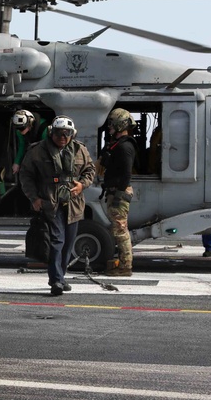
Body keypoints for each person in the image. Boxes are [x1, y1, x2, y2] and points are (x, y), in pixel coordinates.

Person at [18, 115, 96, 296]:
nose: (63, 136)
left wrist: (82, 184)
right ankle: (56, 280)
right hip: (49, 203)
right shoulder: (37, 151)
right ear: (52, 132)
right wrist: (34, 198)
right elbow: (25, 175)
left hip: (73, 204)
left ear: (72, 134)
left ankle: (60, 276)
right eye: (59, 133)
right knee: (57, 242)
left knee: (68, 243)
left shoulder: (80, 150)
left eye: (67, 133)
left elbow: (90, 170)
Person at [98, 108, 137, 276]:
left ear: (120, 125)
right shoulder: (117, 145)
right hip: (114, 191)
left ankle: (125, 266)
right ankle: (122, 262)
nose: (109, 128)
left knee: (120, 231)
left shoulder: (124, 147)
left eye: (112, 125)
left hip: (118, 193)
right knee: (118, 229)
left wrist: (119, 194)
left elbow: (126, 173)